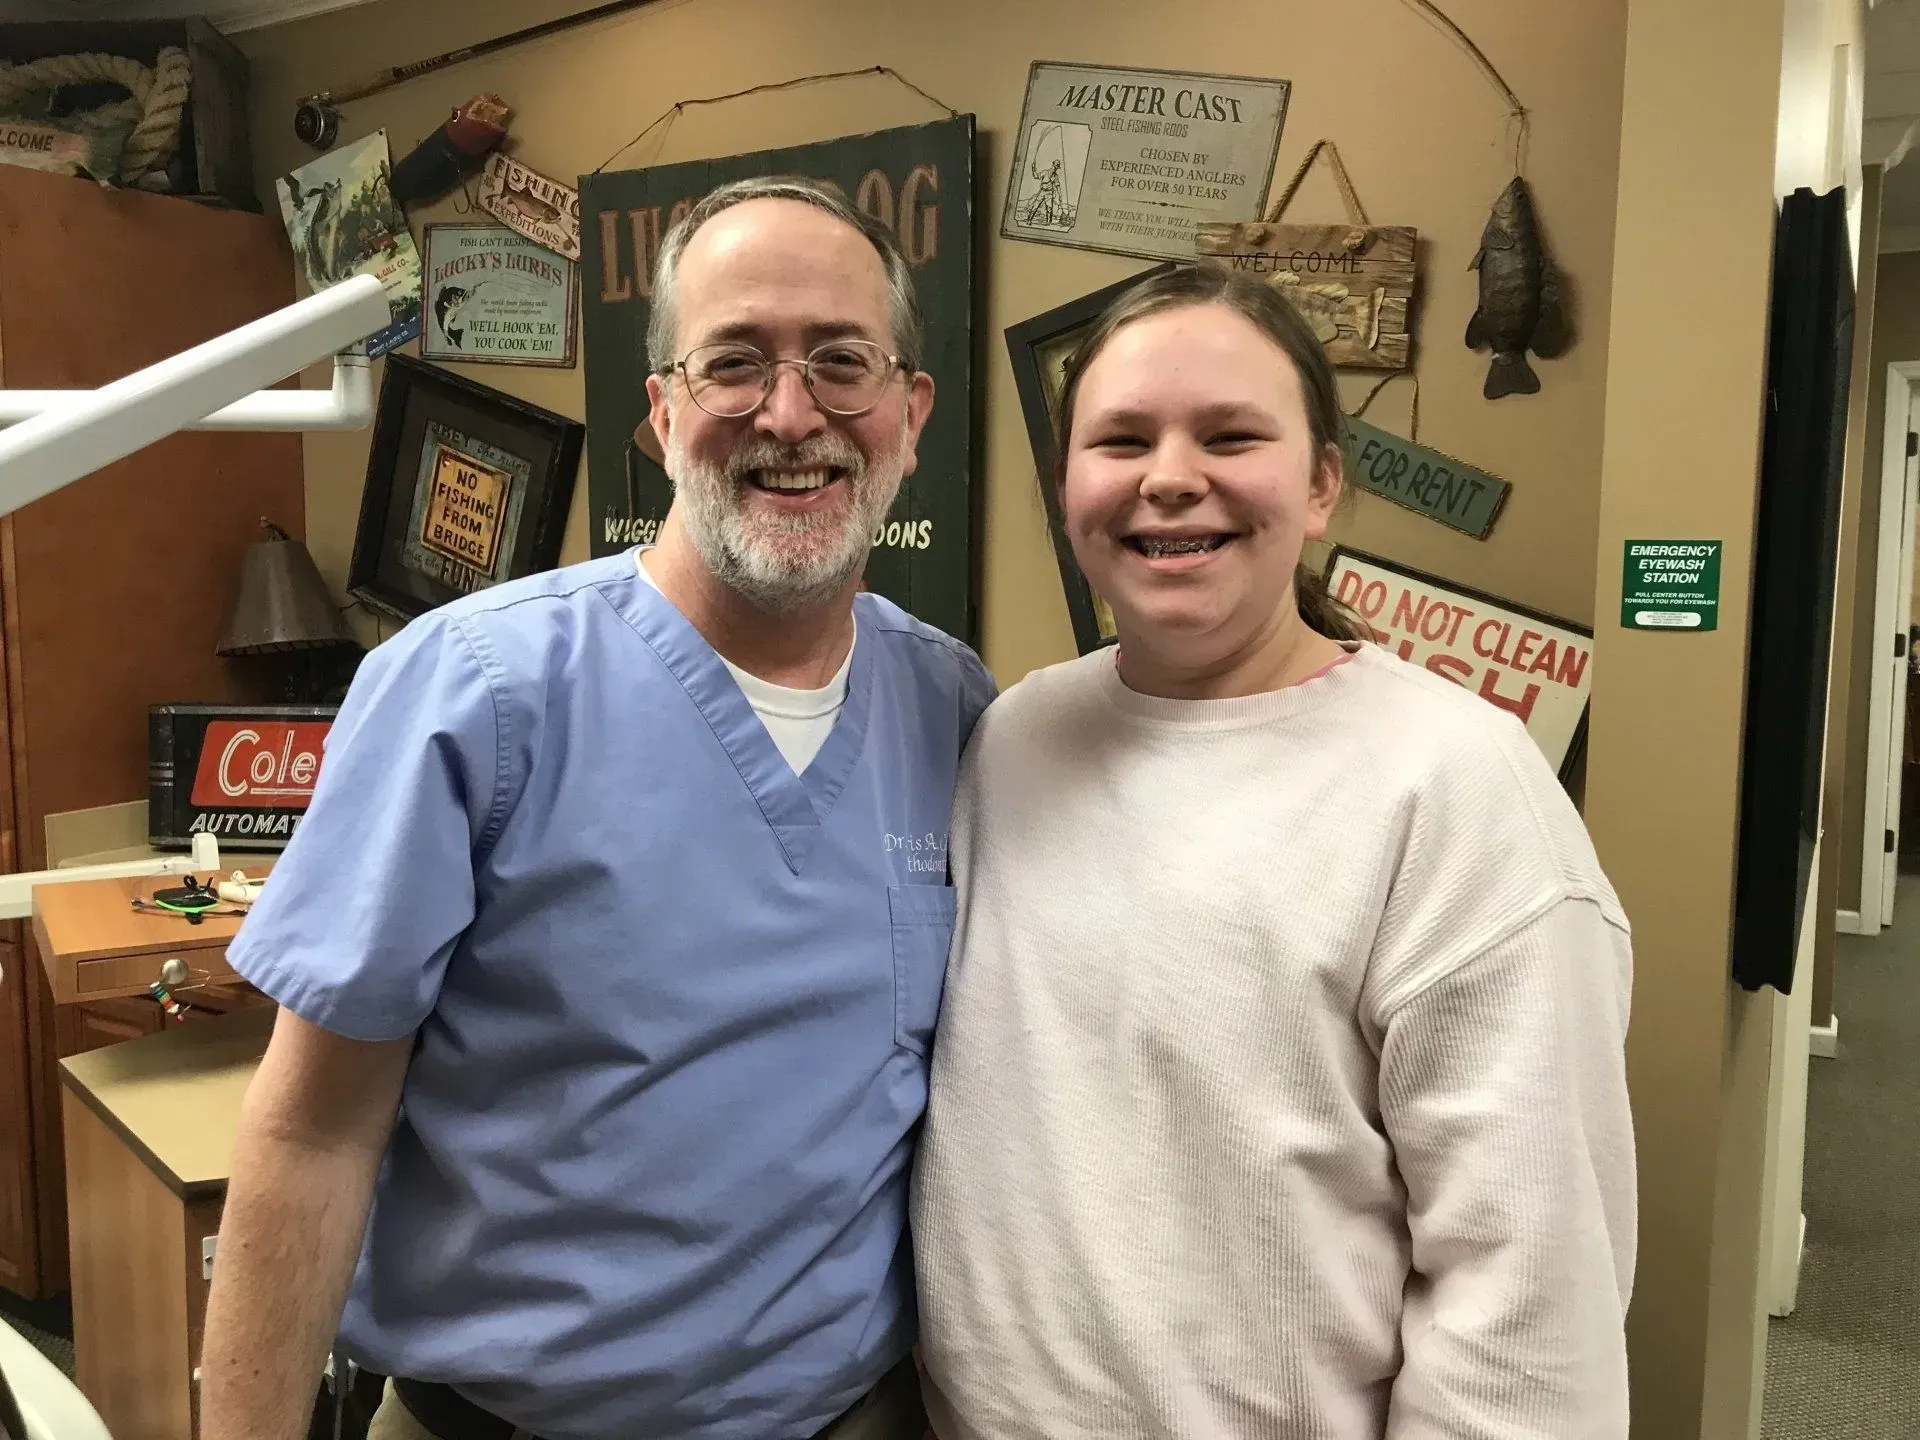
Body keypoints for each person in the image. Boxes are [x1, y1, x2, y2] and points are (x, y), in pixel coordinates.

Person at [200, 175, 993, 1440]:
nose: (792, 414)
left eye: (843, 362)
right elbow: (312, 1134)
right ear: (665, 412)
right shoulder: (475, 693)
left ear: (908, 411)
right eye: (734, 363)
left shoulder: (950, 707)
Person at [910, 265, 1635, 1439]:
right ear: (1067, 490)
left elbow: (1530, 1297)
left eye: (1232, 434)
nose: (1171, 476)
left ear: (1322, 487)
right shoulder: (1013, 738)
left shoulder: (1453, 786)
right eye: (1122, 438)